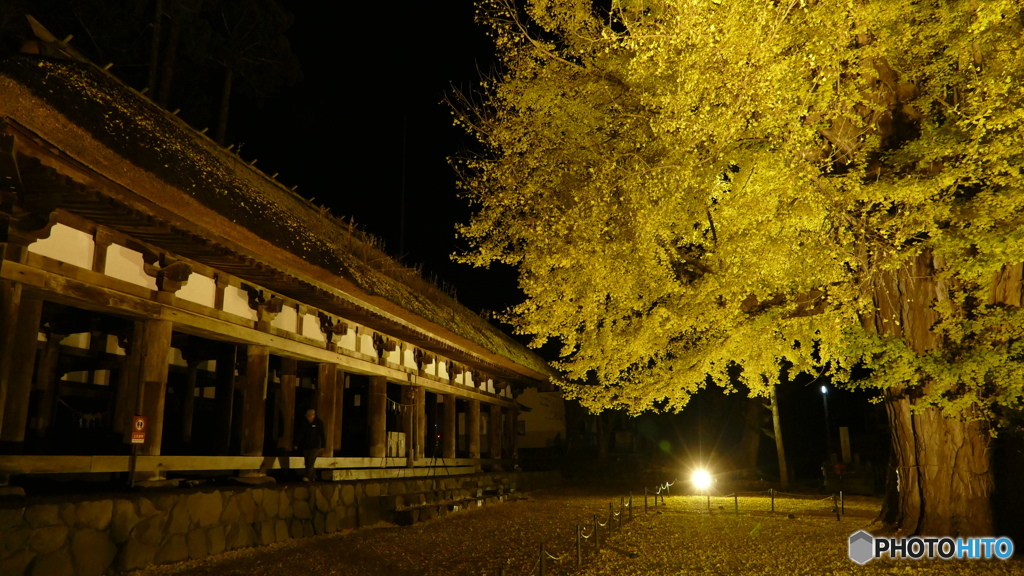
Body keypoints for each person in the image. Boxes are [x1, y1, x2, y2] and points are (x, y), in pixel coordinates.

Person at [294, 408, 326, 482]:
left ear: (313, 416)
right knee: (307, 461)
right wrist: (296, 443)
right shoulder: (305, 423)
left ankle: (307, 476)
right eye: (307, 416)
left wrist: (323, 445)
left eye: (309, 416)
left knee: (311, 461)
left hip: (315, 446)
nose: (308, 418)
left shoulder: (318, 423)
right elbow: (301, 434)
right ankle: (313, 476)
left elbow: (322, 434)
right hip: (306, 445)